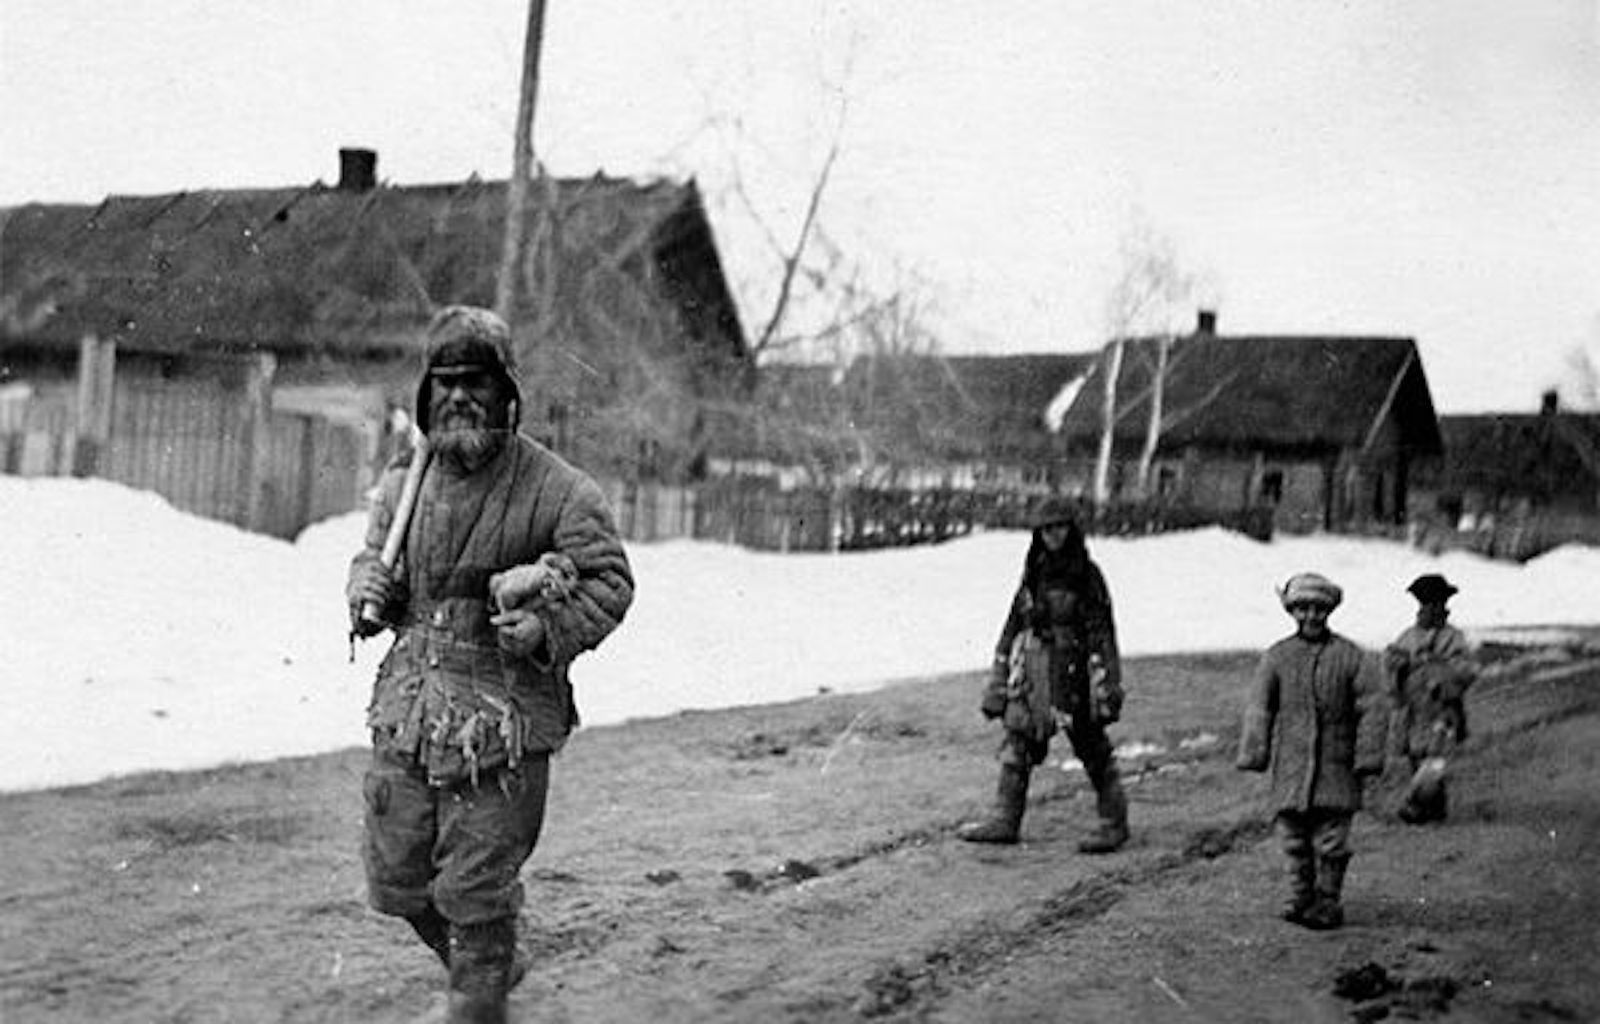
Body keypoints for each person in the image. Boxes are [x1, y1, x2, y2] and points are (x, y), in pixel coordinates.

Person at [346, 306, 634, 1023]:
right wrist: (367, 590)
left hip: (501, 728)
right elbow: (375, 563)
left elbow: (610, 581)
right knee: (396, 879)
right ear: (424, 396)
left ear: (508, 394)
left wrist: (545, 624)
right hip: (410, 711)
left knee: (476, 898)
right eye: (443, 384)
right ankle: (493, 963)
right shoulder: (403, 482)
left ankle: (478, 992)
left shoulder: (560, 489)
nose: (458, 397)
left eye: (476, 382)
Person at [957, 499, 1129, 853]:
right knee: (1019, 743)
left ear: (1071, 529)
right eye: (1047, 529)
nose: (1054, 535)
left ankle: (1114, 823)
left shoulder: (1087, 575)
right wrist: (999, 682)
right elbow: (1013, 627)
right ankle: (1006, 820)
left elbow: (1102, 634)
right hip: (1036, 672)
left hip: (1075, 674)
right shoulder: (1033, 572)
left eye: (1060, 527)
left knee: (1091, 746)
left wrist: (1107, 684)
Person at [1236, 572, 1387, 930]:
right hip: (1291, 768)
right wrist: (1255, 751)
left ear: (1329, 611)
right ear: (1291, 612)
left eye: (1318, 609)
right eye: (1302, 609)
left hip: (1337, 767)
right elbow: (1260, 706)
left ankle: (1327, 899)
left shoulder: (1351, 657)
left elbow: (1373, 707)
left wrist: (1368, 756)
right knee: (1292, 838)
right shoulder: (1277, 657)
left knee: (1331, 840)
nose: (1310, 616)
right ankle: (1299, 895)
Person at [1384, 573, 1476, 824]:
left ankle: (1418, 805)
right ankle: (1430, 806)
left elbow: (1467, 670)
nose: (1433, 609)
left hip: (1442, 708)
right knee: (1416, 754)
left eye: (1438, 603)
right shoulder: (1407, 636)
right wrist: (1398, 666)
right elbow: (1391, 670)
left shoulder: (1453, 637)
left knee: (1436, 759)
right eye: (1427, 604)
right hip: (1414, 709)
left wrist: (1443, 673)